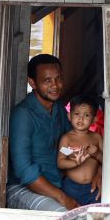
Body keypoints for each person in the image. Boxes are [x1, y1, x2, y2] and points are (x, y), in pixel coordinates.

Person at [6, 54, 78, 212]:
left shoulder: (58, 108)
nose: (55, 85)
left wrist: (93, 170)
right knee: (62, 216)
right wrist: (62, 197)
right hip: (22, 189)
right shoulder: (23, 115)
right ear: (33, 83)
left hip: (56, 183)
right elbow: (25, 170)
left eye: (58, 79)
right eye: (47, 80)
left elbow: (67, 147)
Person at [57, 95, 103, 205]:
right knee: (70, 213)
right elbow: (61, 162)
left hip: (92, 188)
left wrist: (97, 154)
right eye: (76, 114)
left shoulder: (96, 138)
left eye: (86, 115)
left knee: (94, 212)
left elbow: (108, 162)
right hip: (71, 187)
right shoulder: (67, 139)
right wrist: (76, 162)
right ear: (69, 116)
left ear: (94, 120)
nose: (81, 118)